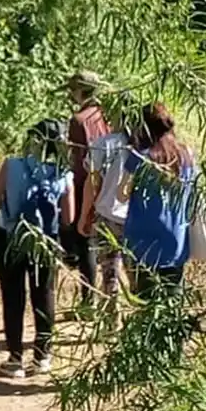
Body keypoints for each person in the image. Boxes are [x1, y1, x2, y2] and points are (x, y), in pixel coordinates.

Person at [0, 119, 74, 378]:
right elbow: (68, 218)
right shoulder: (63, 173)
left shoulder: (11, 165)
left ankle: (14, 359)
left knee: (13, 296)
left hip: (10, 237)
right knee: (44, 295)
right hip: (46, 240)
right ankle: (43, 356)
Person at [119, 101, 197, 303]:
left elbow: (121, 195)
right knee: (173, 299)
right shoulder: (186, 154)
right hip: (176, 237)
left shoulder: (139, 158)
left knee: (147, 301)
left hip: (142, 241)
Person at [78, 101, 136, 303]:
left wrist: (85, 214)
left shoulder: (103, 144)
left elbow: (93, 181)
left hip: (107, 216)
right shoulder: (144, 147)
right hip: (135, 218)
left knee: (110, 273)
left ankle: (112, 323)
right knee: (136, 272)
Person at [62, 71, 111, 309]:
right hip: (111, 185)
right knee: (110, 247)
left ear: (80, 90)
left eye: (72, 90)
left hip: (85, 186)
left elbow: (78, 160)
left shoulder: (78, 120)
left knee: (86, 244)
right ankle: (109, 302)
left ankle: (88, 302)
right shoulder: (108, 116)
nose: (70, 95)